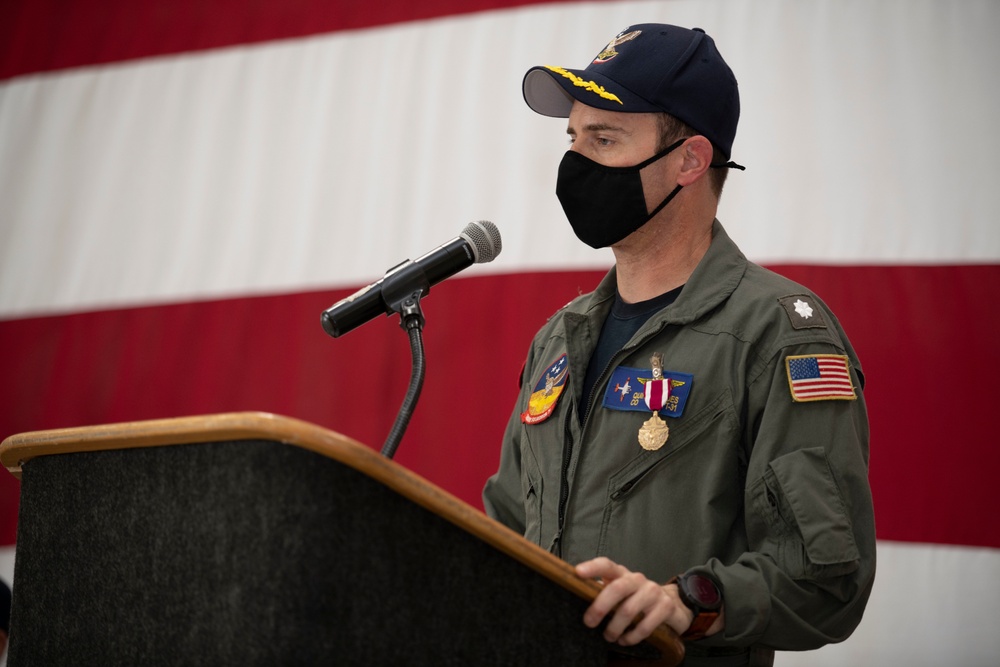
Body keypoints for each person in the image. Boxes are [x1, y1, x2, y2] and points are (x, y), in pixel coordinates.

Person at [483, 23, 875, 666]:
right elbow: (503, 532)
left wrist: (687, 601)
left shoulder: (778, 333)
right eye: (573, 138)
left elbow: (828, 580)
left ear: (691, 160)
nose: (575, 161)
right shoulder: (560, 337)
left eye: (604, 138)